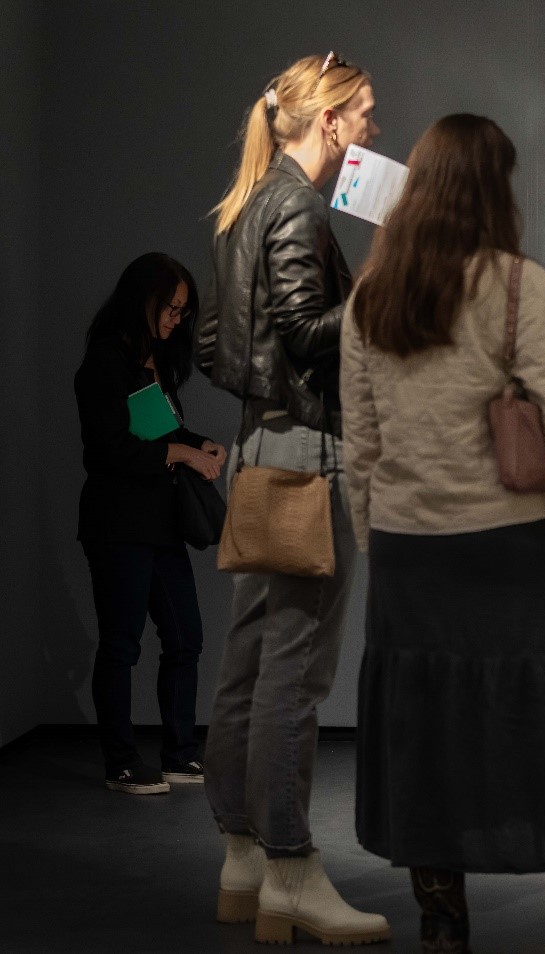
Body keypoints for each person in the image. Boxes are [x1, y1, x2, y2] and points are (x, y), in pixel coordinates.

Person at [343, 113, 545, 954]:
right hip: (519, 547)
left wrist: (382, 547)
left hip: (413, 554)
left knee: (428, 737)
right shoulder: (518, 285)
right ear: (495, 189)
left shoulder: (371, 296)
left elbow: (362, 446)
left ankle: (442, 927)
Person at [195, 52, 389, 944]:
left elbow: (215, 345)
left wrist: (261, 388)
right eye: (368, 114)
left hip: (261, 451)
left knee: (250, 662)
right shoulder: (303, 206)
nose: (376, 129)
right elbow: (313, 336)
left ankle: (244, 858)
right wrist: (381, 293)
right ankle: (291, 869)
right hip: (311, 457)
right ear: (335, 123)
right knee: (295, 675)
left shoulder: (248, 205)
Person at [75, 252, 222, 795]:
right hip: (117, 524)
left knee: (186, 638)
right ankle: (121, 763)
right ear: (144, 301)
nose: (176, 321)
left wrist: (195, 442)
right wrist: (182, 456)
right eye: (172, 309)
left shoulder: (146, 365)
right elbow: (109, 452)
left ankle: (180, 754)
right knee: (122, 644)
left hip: (158, 525)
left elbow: (158, 434)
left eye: (183, 313)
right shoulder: (104, 364)